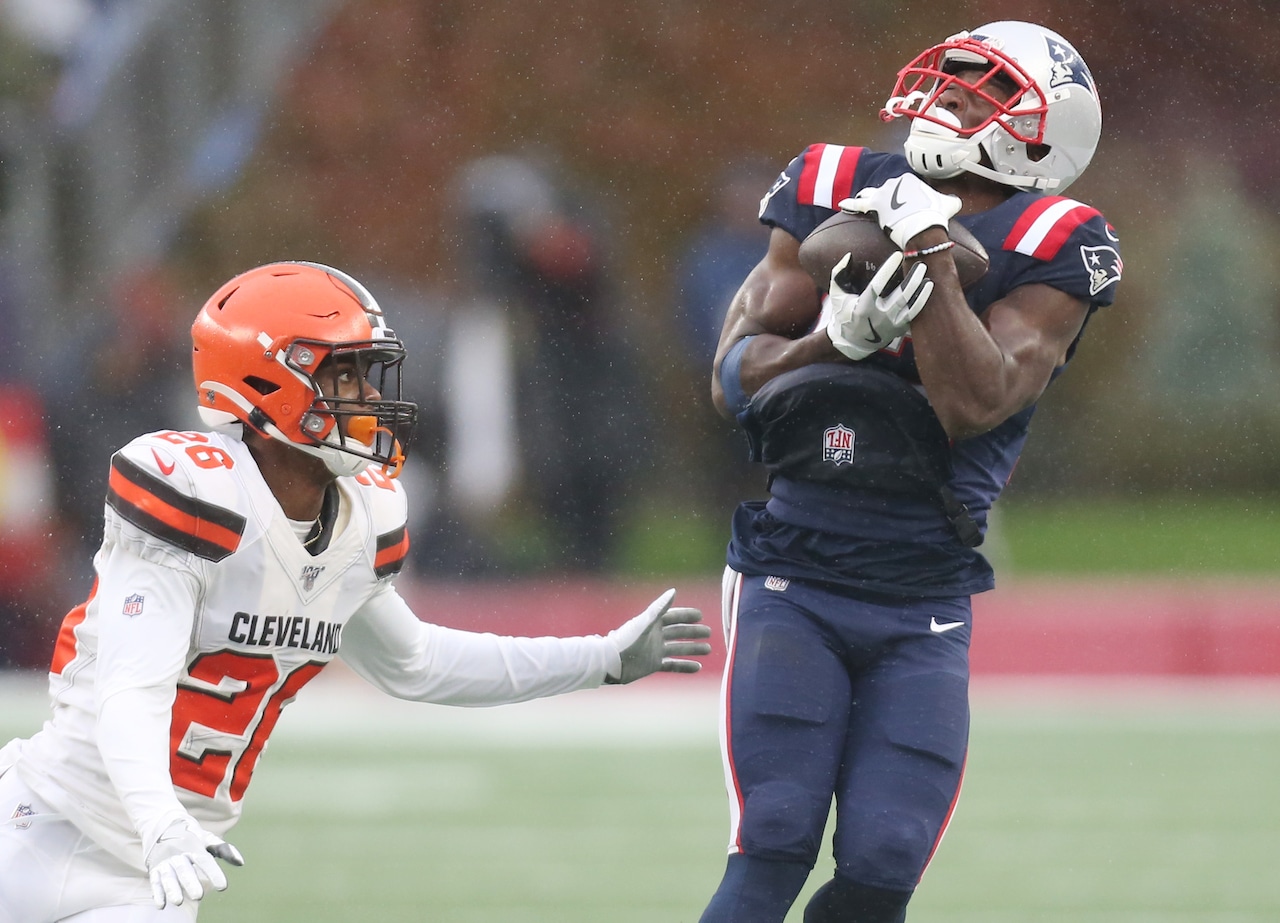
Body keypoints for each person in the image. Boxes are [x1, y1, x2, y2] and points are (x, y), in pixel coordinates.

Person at [0, 260, 712, 922]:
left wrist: (601, 659)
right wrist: (158, 821)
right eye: (345, 377)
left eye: (370, 377)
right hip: (49, 830)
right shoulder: (196, 494)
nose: (370, 398)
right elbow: (133, 688)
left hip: (155, 871)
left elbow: (417, 661)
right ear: (264, 384)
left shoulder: (359, 519)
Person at [700, 22, 1122, 922]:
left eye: (978, 96)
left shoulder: (1057, 238)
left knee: (886, 857)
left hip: (923, 586)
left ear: (1039, 136)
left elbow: (981, 398)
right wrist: (834, 339)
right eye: (950, 84)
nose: (946, 102)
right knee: (775, 829)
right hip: (794, 565)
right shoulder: (831, 183)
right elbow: (732, 377)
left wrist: (927, 251)